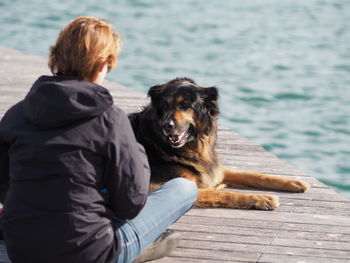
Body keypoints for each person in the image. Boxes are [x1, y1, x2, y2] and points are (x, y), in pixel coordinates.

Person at [0, 16, 198, 263]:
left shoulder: (16, 114)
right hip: (90, 253)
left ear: (56, 56)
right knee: (184, 188)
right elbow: (131, 204)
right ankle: (133, 247)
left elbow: (5, 186)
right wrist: (136, 152)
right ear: (104, 64)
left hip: (23, 248)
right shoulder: (110, 119)